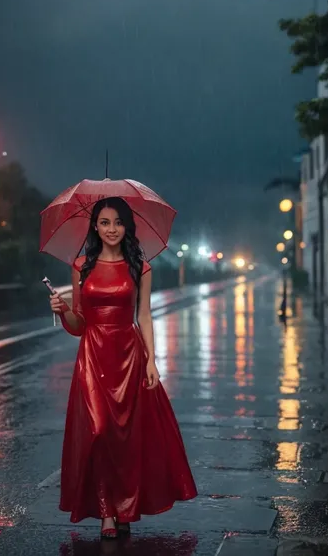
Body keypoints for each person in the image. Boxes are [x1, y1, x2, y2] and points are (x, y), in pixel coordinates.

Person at [50, 196, 197, 539]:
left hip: (129, 355)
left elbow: (144, 315)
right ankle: (106, 512)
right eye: (104, 222)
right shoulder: (81, 266)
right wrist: (61, 310)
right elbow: (78, 324)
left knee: (126, 438)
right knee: (99, 432)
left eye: (117, 222)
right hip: (93, 354)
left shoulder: (140, 267)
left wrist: (152, 361)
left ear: (127, 226)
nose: (111, 229)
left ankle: (125, 508)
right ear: (95, 226)